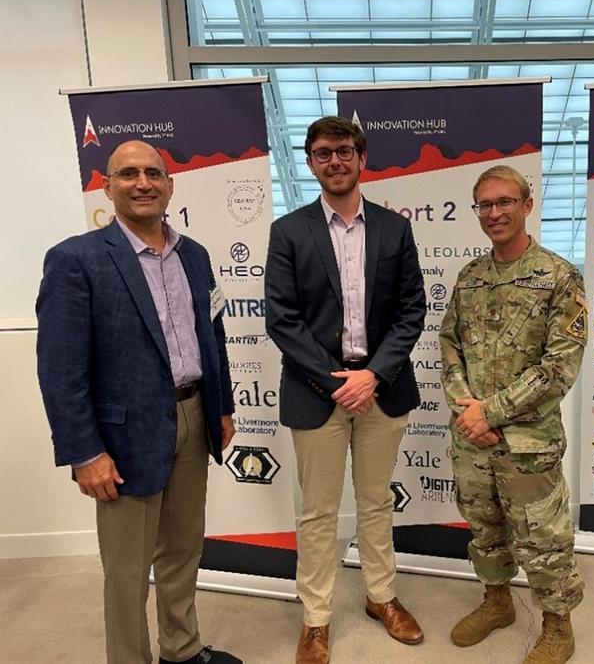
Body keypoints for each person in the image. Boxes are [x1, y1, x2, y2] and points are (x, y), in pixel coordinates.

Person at [36, 140, 240, 664]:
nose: (143, 182)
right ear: (107, 186)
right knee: (127, 569)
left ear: (170, 186)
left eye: (154, 173)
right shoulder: (75, 260)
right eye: (129, 173)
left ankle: (182, 649)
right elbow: (61, 371)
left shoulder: (194, 254)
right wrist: (84, 452)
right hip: (122, 438)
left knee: (183, 551)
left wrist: (222, 407)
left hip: (194, 417)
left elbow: (211, 337)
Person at [264, 116, 427, 664]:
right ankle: (315, 619)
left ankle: (382, 597)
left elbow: (412, 311)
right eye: (322, 153)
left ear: (362, 157)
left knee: (377, 502)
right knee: (318, 511)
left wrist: (373, 375)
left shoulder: (393, 229)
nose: (334, 161)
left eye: (344, 151)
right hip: (319, 391)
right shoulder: (288, 231)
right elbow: (282, 320)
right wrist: (338, 381)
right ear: (310, 162)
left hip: (381, 387)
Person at [440, 165, 587, 664]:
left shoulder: (560, 277)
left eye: (505, 202)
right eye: (485, 204)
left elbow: (560, 366)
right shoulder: (471, 277)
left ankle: (557, 624)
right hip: (473, 438)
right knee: (485, 526)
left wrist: (492, 413)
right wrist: (468, 410)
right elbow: (449, 344)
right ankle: (497, 602)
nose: (495, 213)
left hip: (528, 440)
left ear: (527, 205)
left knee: (543, 536)